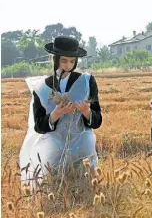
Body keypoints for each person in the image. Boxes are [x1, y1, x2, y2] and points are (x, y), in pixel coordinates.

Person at [19, 36, 102, 184]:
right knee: (55, 190)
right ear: (54, 59)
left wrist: (86, 112)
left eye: (72, 61)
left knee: (85, 190)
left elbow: (97, 121)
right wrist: (57, 113)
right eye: (64, 61)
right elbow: (39, 126)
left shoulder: (87, 82)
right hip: (53, 150)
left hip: (82, 148)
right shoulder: (41, 88)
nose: (68, 66)